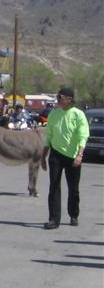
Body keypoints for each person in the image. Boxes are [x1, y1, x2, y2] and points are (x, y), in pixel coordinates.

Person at [41, 86, 89, 230]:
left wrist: (80, 155)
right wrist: (43, 155)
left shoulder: (78, 115)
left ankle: (73, 215)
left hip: (73, 156)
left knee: (73, 187)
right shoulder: (54, 114)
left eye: (60, 97)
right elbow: (48, 136)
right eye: (58, 97)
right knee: (54, 185)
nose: (58, 100)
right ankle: (53, 219)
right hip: (56, 154)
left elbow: (83, 135)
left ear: (69, 99)